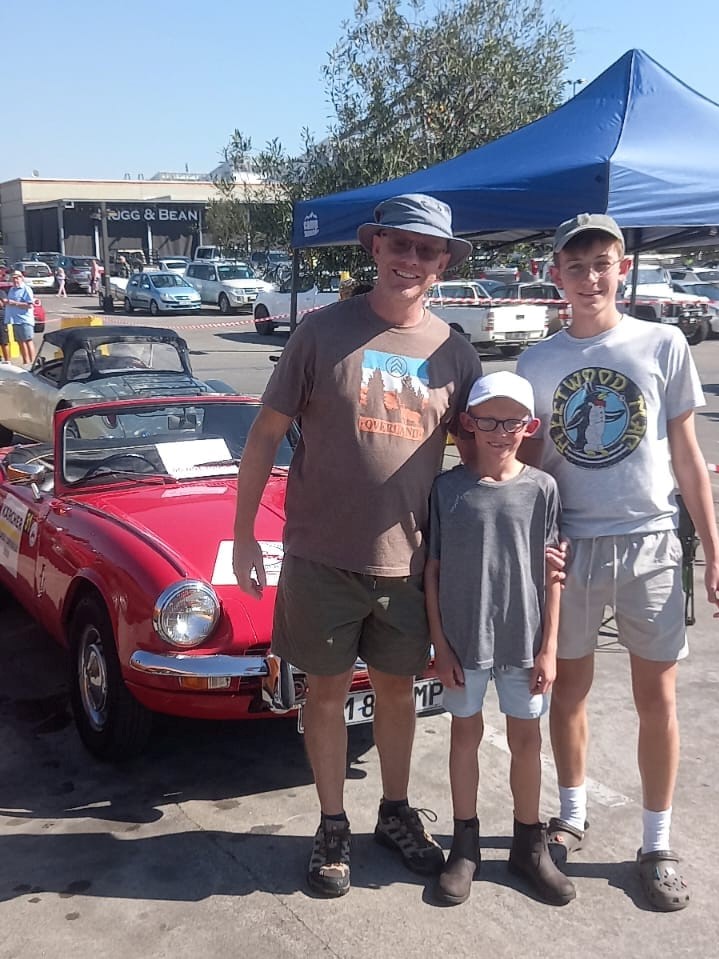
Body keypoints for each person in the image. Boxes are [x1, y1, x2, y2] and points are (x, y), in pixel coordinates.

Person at [232, 193, 483, 898]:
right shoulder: (320, 333)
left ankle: (395, 811)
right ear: (374, 248)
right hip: (320, 555)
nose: (411, 259)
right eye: (399, 244)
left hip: (408, 563)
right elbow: (265, 433)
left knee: (399, 693)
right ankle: (332, 823)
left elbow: (484, 460)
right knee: (325, 693)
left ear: (442, 263)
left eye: (426, 249)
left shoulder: (455, 353)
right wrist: (244, 533)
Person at [517, 213, 719, 912]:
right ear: (555, 275)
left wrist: (712, 549)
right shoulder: (536, 363)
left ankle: (656, 844)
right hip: (568, 546)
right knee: (566, 689)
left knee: (655, 698)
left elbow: (687, 456)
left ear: (622, 269)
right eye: (575, 267)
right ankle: (569, 815)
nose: (590, 278)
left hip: (651, 542)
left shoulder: (662, 343)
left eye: (601, 263)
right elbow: (528, 465)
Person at [425, 370, 574, 907]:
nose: (500, 432)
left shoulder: (542, 489)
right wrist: (440, 645)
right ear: (468, 423)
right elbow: (433, 571)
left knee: (526, 740)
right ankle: (464, 846)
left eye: (513, 422)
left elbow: (553, 576)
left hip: (523, 641)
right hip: (464, 641)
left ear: (529, 427)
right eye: (488, 421)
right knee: (464, 735)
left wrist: (549, 647)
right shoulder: (447, 489)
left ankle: (529, 845)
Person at [1, 270, 36, 364]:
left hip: (24, 320)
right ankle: (26, 362)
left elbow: (30, 305)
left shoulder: (26, 289)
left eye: (17, 278)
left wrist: (14, 303)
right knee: (20, 341)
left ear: (21, 278)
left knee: (28, 340)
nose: (15, 280)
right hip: (14, 320)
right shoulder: (12, 289)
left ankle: (33, 362)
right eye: (13, 278)